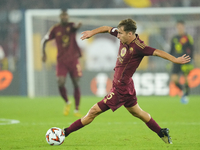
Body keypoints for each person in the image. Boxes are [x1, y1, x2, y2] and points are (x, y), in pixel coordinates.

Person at [62, 18, 191, 144]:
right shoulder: (123, 36)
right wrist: (92, 32)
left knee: (93, 112)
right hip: (126, 86)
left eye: (121, 33)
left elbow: (157, 52)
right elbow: (107, 29)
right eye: (118, 32)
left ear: (130, 34)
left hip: (121, 89)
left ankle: (63, 133)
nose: (118, 36)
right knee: (138, 113)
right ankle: (161, 132)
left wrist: (175, 59)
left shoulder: (139, 47)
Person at [42, 9, 82, 117]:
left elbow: (75, 28)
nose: (64, 17)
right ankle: (68, 102)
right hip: (61, 61)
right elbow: (44, 40)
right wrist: (44, 54)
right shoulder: (55, 29)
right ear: (60, 17)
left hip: (73, 60)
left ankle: (76, 109)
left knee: (76, 83)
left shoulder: (71, 26)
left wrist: (78, 26)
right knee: (60, 82)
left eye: (66, 16)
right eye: (63, 16)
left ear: (67, 17)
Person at [169, 20, 194, 104]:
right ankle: (182, 91)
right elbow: (171, 50)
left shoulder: (188, 37)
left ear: (183, 27)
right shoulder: (174, 38)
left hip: (185, 60)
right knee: (174, 79)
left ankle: (186, 95)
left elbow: (192, 49)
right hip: (176, 60)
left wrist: (191, 60)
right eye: (178, 26)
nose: (179, 28)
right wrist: (170, 59)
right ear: (177, 27)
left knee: (186, 78)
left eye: (181, 26)